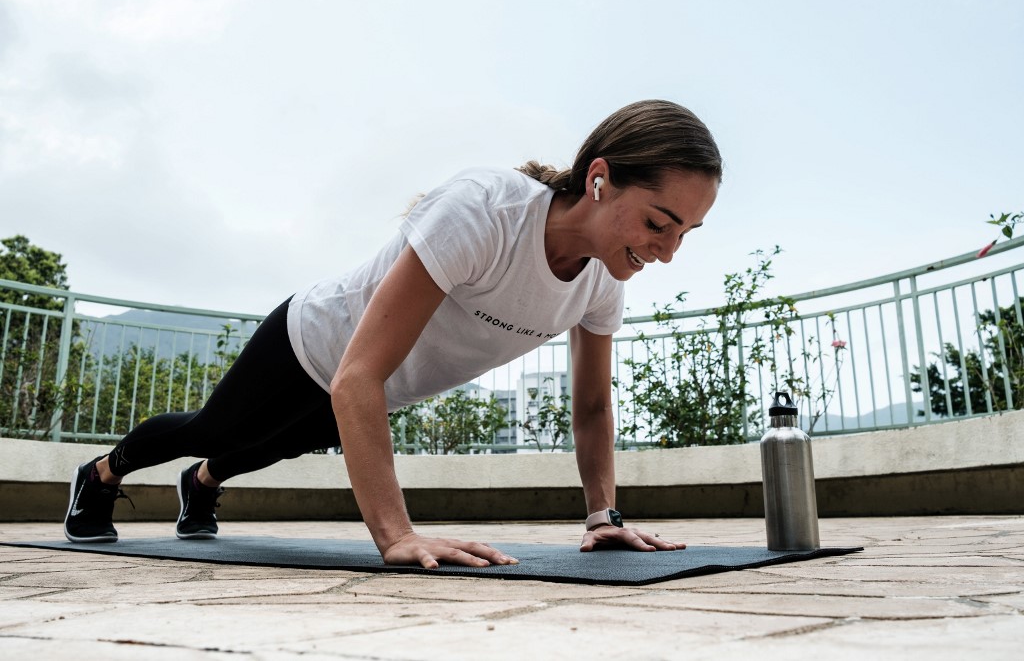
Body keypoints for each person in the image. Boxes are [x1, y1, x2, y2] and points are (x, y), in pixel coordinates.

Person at [63, 99, 721, 569]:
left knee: (266, 448)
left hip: (374, 390)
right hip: (312, 345)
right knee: (215, 430)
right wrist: (396, 535)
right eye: (659, 223)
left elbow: (592, 407)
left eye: (685, 234)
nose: (667, 251)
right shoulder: (486, 212)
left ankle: (201, 485)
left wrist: (603, 518)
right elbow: (356, 375)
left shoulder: (603, 280)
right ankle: (100, 474)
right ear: (601, 180)